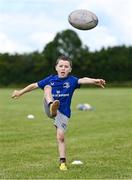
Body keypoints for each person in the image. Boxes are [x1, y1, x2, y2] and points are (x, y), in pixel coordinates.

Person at [12, 55, 106, 171]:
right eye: (61, 66)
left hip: (63, 112)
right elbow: (34, 85)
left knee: (60, 137)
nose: (63, 68)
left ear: (70, 70)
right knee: (47, 87)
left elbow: (83, 79)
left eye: (66, 67)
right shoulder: (50, 79)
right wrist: (20, 92)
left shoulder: (72, 81)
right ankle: (52, 106)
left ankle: (62, 163)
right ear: (56, 67)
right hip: (49, 106)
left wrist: (94, 81)